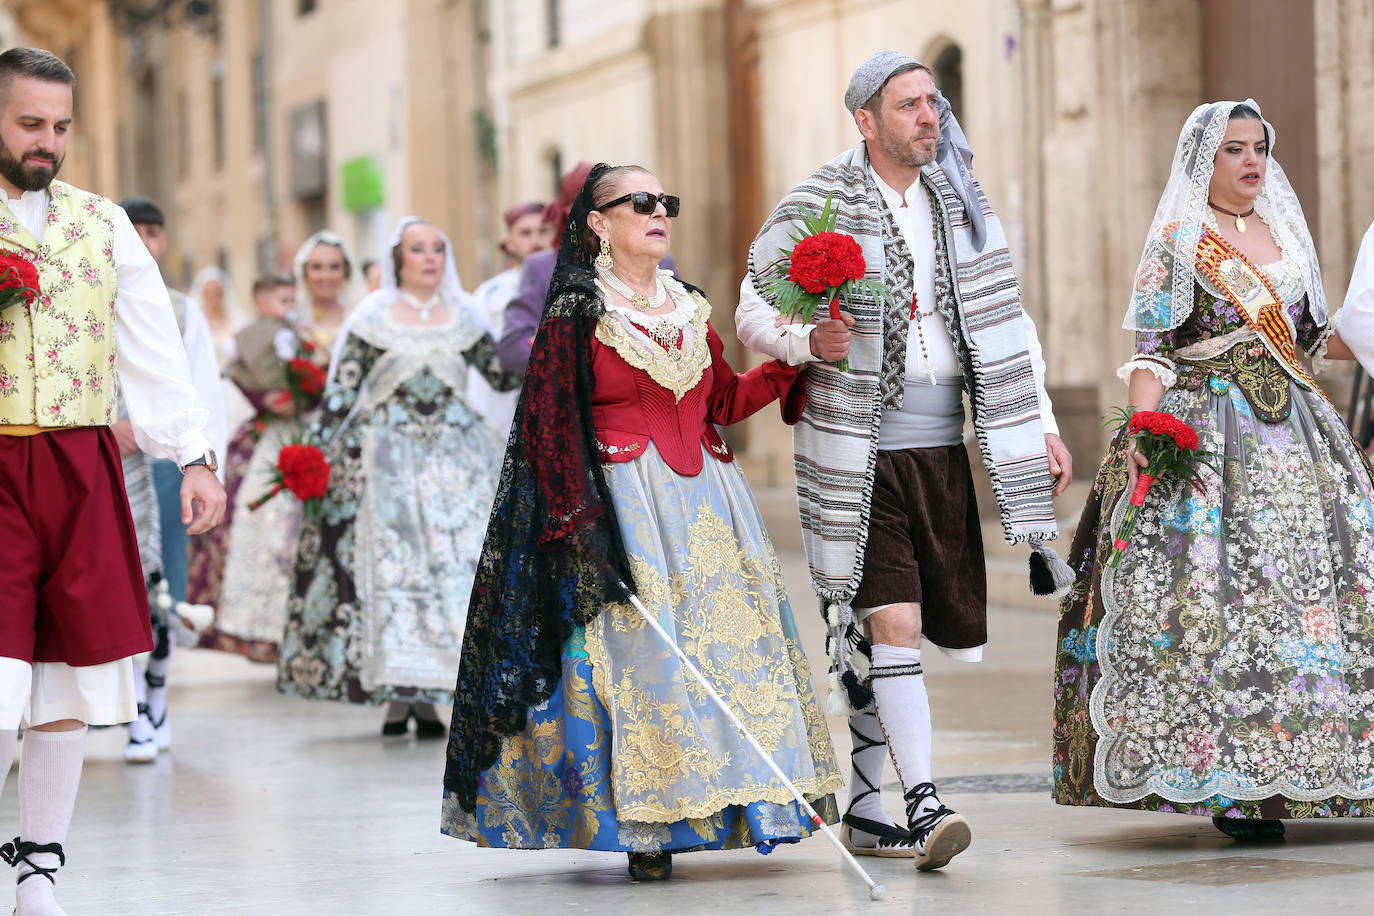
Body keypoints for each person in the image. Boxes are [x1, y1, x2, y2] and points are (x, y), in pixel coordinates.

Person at [441, 164, 844, 882]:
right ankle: (650, 824)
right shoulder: (574, 310)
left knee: (726, 655)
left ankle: (742, 804)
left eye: (667, 202)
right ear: (598, 221)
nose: (660, 212)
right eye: (642, 202)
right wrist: (575, 519)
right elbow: (547, 426)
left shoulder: (688, 304)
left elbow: (721, 400)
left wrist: (799, 356)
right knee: (645, 664)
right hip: (624, 505)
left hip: (711, 506)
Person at [736, 51, 1070, 871]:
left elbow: (1008, 322)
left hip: (941, 445)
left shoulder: (963, 200)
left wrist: (1046, 425)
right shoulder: (816, 201)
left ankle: (864, 808)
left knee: (880, 633)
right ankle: (923, 802)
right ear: (866, 120)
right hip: (855, 445)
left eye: (934, 102)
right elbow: (751, 306)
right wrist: (804, 337)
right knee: (895, 621)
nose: (930, 117)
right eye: (910, 105)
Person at [1050, 99, 1374, 839]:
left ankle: (1323, 766)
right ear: (1206, 159)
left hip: (1295, 430)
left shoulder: (1284, 234)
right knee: (1218, 598)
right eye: (1234, 149)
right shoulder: (1178, 242)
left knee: (1315, 597)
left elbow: (1317, 342)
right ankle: (1230, 782)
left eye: (1260, 146)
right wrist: (1144, 429)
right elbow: (1153, 349)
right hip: (1208, 430)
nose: (1252, 160)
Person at [0, 47, 225, 913]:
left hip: (79, 463)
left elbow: (154, 351)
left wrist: (192, 456)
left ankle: (38, 873)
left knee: (66, 678)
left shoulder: (103, 224)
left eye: (60, 126)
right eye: (29, 124)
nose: (47, 142)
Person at [277, 217, 519, 738]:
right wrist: (312, 455)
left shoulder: (464, 314)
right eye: (417, 249)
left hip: (458, 461)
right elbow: (342, 393)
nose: (429, 258)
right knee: (395, 575)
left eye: (437, 248)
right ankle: (398, 697)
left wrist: (550, 342)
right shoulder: (373, 317)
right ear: (398, 260)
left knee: (453, 574)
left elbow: (502, 374)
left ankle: (436, 694)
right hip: (386, 461)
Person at [115, 195, 229, 763]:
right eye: (131, 230)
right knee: (122, 584)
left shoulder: (182, 310)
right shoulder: (89, 300)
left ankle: (155, 693)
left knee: (164, 588)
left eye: (153, 232)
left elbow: (201, 391)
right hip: (106, 463)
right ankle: (134, 704)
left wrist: (206, 466)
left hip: (165, 468)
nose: (143, 241)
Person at [198, 274, 325, 662]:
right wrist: (268, 397)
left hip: (309, 428)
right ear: (261, 300)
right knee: (263, 522)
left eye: (291, 298)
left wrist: (305, 390)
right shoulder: (253, 338)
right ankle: (258, 627)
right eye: (281, 298)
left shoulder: (299, 337)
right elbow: (238, 374)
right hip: (273, 432)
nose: (288, 305)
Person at [468, 201, 550, 432]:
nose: (536, 240)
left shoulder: (571, 283)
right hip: (502, 403)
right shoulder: (489, 294)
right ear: (509, 243)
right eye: (526, 233)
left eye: (543, 231)